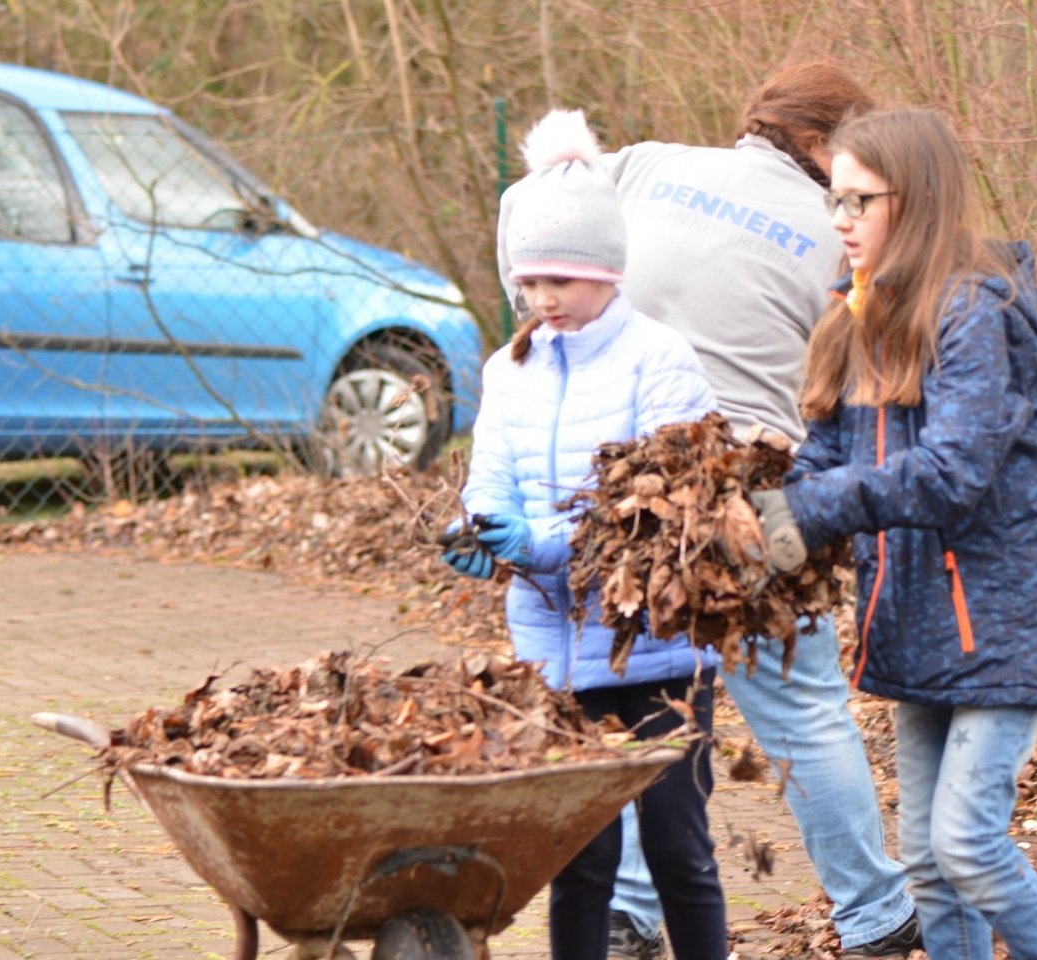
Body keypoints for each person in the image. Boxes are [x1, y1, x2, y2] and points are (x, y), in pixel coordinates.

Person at [751, 106, 1037, 959]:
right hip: (913, 617)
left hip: (1002, 618)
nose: (840, 221)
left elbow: (952, 473)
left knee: (970, 846)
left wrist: (805, 514)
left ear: (919, 199)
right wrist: (760, 522)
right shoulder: (857, 314)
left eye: (858, 201)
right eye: (834, 201)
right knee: (931, 867)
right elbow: (825, 459)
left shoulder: (980, 312)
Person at [599, 61, 921, 958]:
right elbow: (873, 388)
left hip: (636, 492)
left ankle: (627, 913)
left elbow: (540, 201)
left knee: (647, 700)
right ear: (820, 145)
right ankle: (877, 915)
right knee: (801, 710)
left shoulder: (645, 165)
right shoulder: (846, 235)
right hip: (762, 491)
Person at [443, 107, 727, 960]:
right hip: (554, 653)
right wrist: (476, 532)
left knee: (680, 849)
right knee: (580, 859)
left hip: (658, 655)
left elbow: (659, 518)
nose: (542, 301)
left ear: (606, 271)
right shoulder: (509, 369)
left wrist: (536, 543)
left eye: (559, 282)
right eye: (529, 284)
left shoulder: (660, 361)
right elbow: (490, 476)